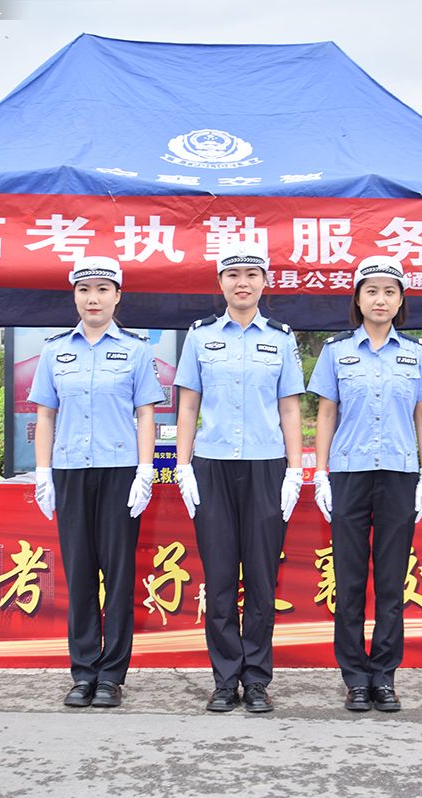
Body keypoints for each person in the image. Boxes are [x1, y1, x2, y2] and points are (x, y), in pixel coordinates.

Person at [173, 241, 305, 713]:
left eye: (252, 275)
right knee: (222, 577)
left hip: (267, 467)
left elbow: (290, 406)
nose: (242, 283)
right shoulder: (200, 336)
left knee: (264, 580)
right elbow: (187, 404)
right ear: (221, 283)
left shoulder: (282, 337)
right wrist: (182, 465)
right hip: (212, 466)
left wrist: (296, 469)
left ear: (265, 283)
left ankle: (257, 680)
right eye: (233, 275)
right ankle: (225, 679)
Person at [29, 256, 166, 708]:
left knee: (119, 574)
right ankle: (83, 672)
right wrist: (43, 473)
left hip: (119, 471)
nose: (94, 298)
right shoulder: (54, 351)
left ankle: (112, 675)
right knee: (81, 574)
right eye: (85, 289)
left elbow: (146, 413)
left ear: (118, 295)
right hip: (69, 470)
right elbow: (45, 416)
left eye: (103, 289)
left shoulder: (136, 349)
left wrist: (145, 470)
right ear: (74, 294)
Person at [307, 256, 422, 713]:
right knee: (348, 582)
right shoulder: (336, 351)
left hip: (400, 475)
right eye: (371, 290)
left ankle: (383, 675)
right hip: (349, 474)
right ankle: (354, 679)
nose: (380, 299)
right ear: (358, 299)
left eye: (389, 291)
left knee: (389, 582)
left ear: (401, 300)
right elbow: (325, 414)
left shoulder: (416, 353)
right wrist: (320, 473)